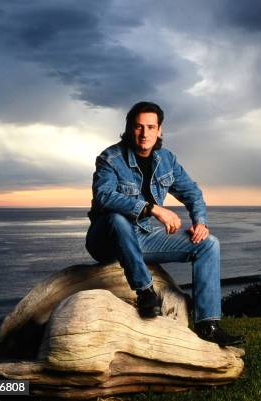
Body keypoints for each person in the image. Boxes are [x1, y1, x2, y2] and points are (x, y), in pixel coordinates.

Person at [85, 101, 244, 347]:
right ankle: (146, 291)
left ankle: (207, 325)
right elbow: (104, 197)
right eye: (138, 127)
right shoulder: (110, 158)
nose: (144, 133)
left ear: (159, 130)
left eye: (150, 127)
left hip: (141, 237)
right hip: (106, 240)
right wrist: (153, 208)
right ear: (129, 129)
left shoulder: (166, 159)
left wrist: (199, 221)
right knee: (117, 218)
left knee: (208, 244)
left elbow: (192, 192)